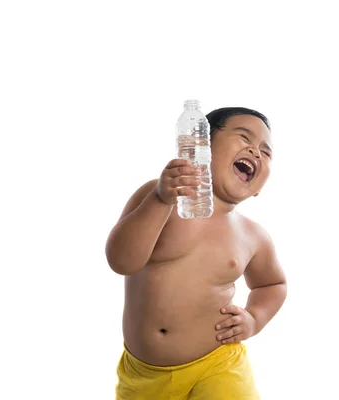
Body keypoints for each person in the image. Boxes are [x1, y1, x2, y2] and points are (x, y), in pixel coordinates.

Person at [105, 107, 287, 399]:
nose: (255, 152)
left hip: (217, 364)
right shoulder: (160, 197)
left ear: (259, 188)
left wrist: (254, 319)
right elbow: (122, 261)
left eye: (266, 153)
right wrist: (160, 200)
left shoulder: (253, 236)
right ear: (199, 145)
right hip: (144, 374)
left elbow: (273, 284)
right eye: (244, 138)